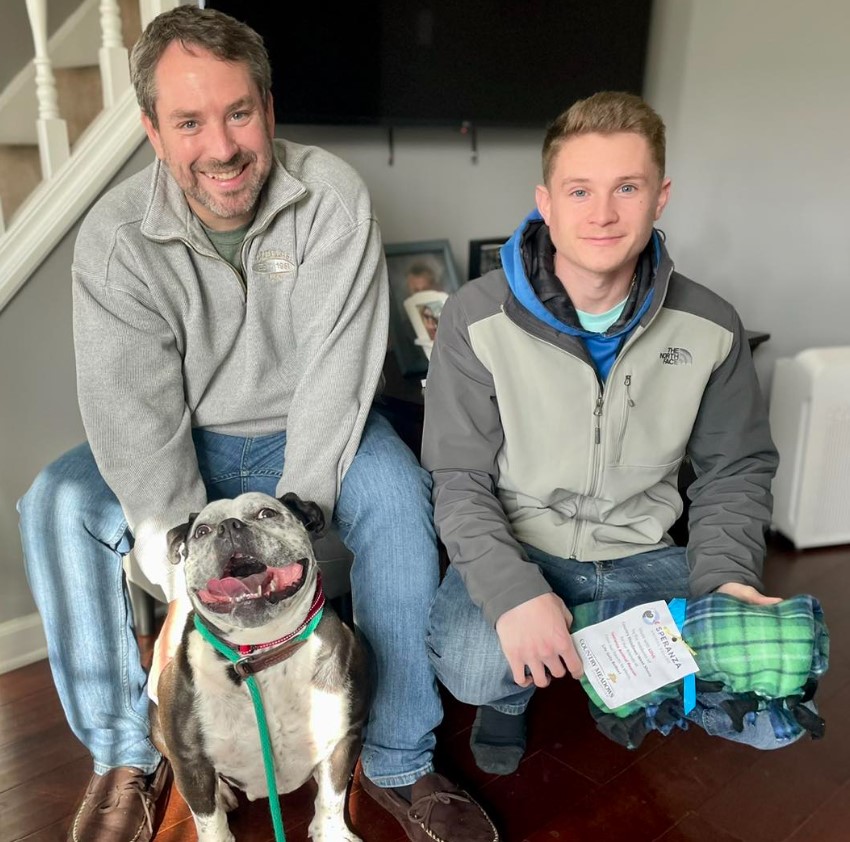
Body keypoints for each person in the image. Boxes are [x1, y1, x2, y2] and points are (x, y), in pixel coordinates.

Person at [16, 7, 496, 842]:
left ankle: (396, 755)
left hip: (309, 426)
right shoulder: (114, 238)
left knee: (396, 494)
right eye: (190, 122)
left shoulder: (334, 199)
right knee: (57, 505)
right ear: (153, 134)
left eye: (239, 112)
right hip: (184, 432)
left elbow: (337, 377)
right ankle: (128, 759)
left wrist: (291, 524)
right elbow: (135, 415)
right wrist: (185, 563)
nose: (223, 146)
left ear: (268, 110)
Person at [421, 91, 790, 777]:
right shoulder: (474, 316)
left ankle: (616, 674)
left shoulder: (712, 324)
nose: (603, 213)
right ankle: (528, 687)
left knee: (765, 711)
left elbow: (735, 471)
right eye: (580, 190)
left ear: (661, 197)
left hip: (644, 553)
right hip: (525, 543)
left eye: (627, 187)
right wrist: (513, 595)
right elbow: (458, 478)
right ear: (546, 200)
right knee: (475, 667)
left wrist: (728, 581)